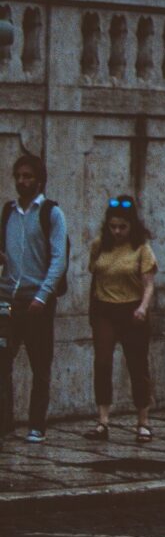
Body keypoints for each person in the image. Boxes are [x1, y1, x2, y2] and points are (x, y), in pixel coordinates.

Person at [1, 153, 70, 442]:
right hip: (8, 299)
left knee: (40, 364)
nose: (22, 181)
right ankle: (4, 424)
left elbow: (59, 258)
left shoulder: (51, 213)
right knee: (3, 363)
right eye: (18, 176)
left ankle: (36, 425)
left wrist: (43, 295)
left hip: (38, 301)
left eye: (27, 176)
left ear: (39, 180)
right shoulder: (8, 211)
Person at [87, 196, 159, 441]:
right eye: (113, 227)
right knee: (103, 362)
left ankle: (143, 421)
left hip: (132, 310)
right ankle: (103, 421)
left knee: (137, 365)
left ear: (132, 227)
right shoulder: (99, 245)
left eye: (122, 227)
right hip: (104, 309)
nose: (117, 231)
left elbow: (149, 285)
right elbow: (95, 276)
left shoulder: (141, 249)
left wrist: (142, 308)